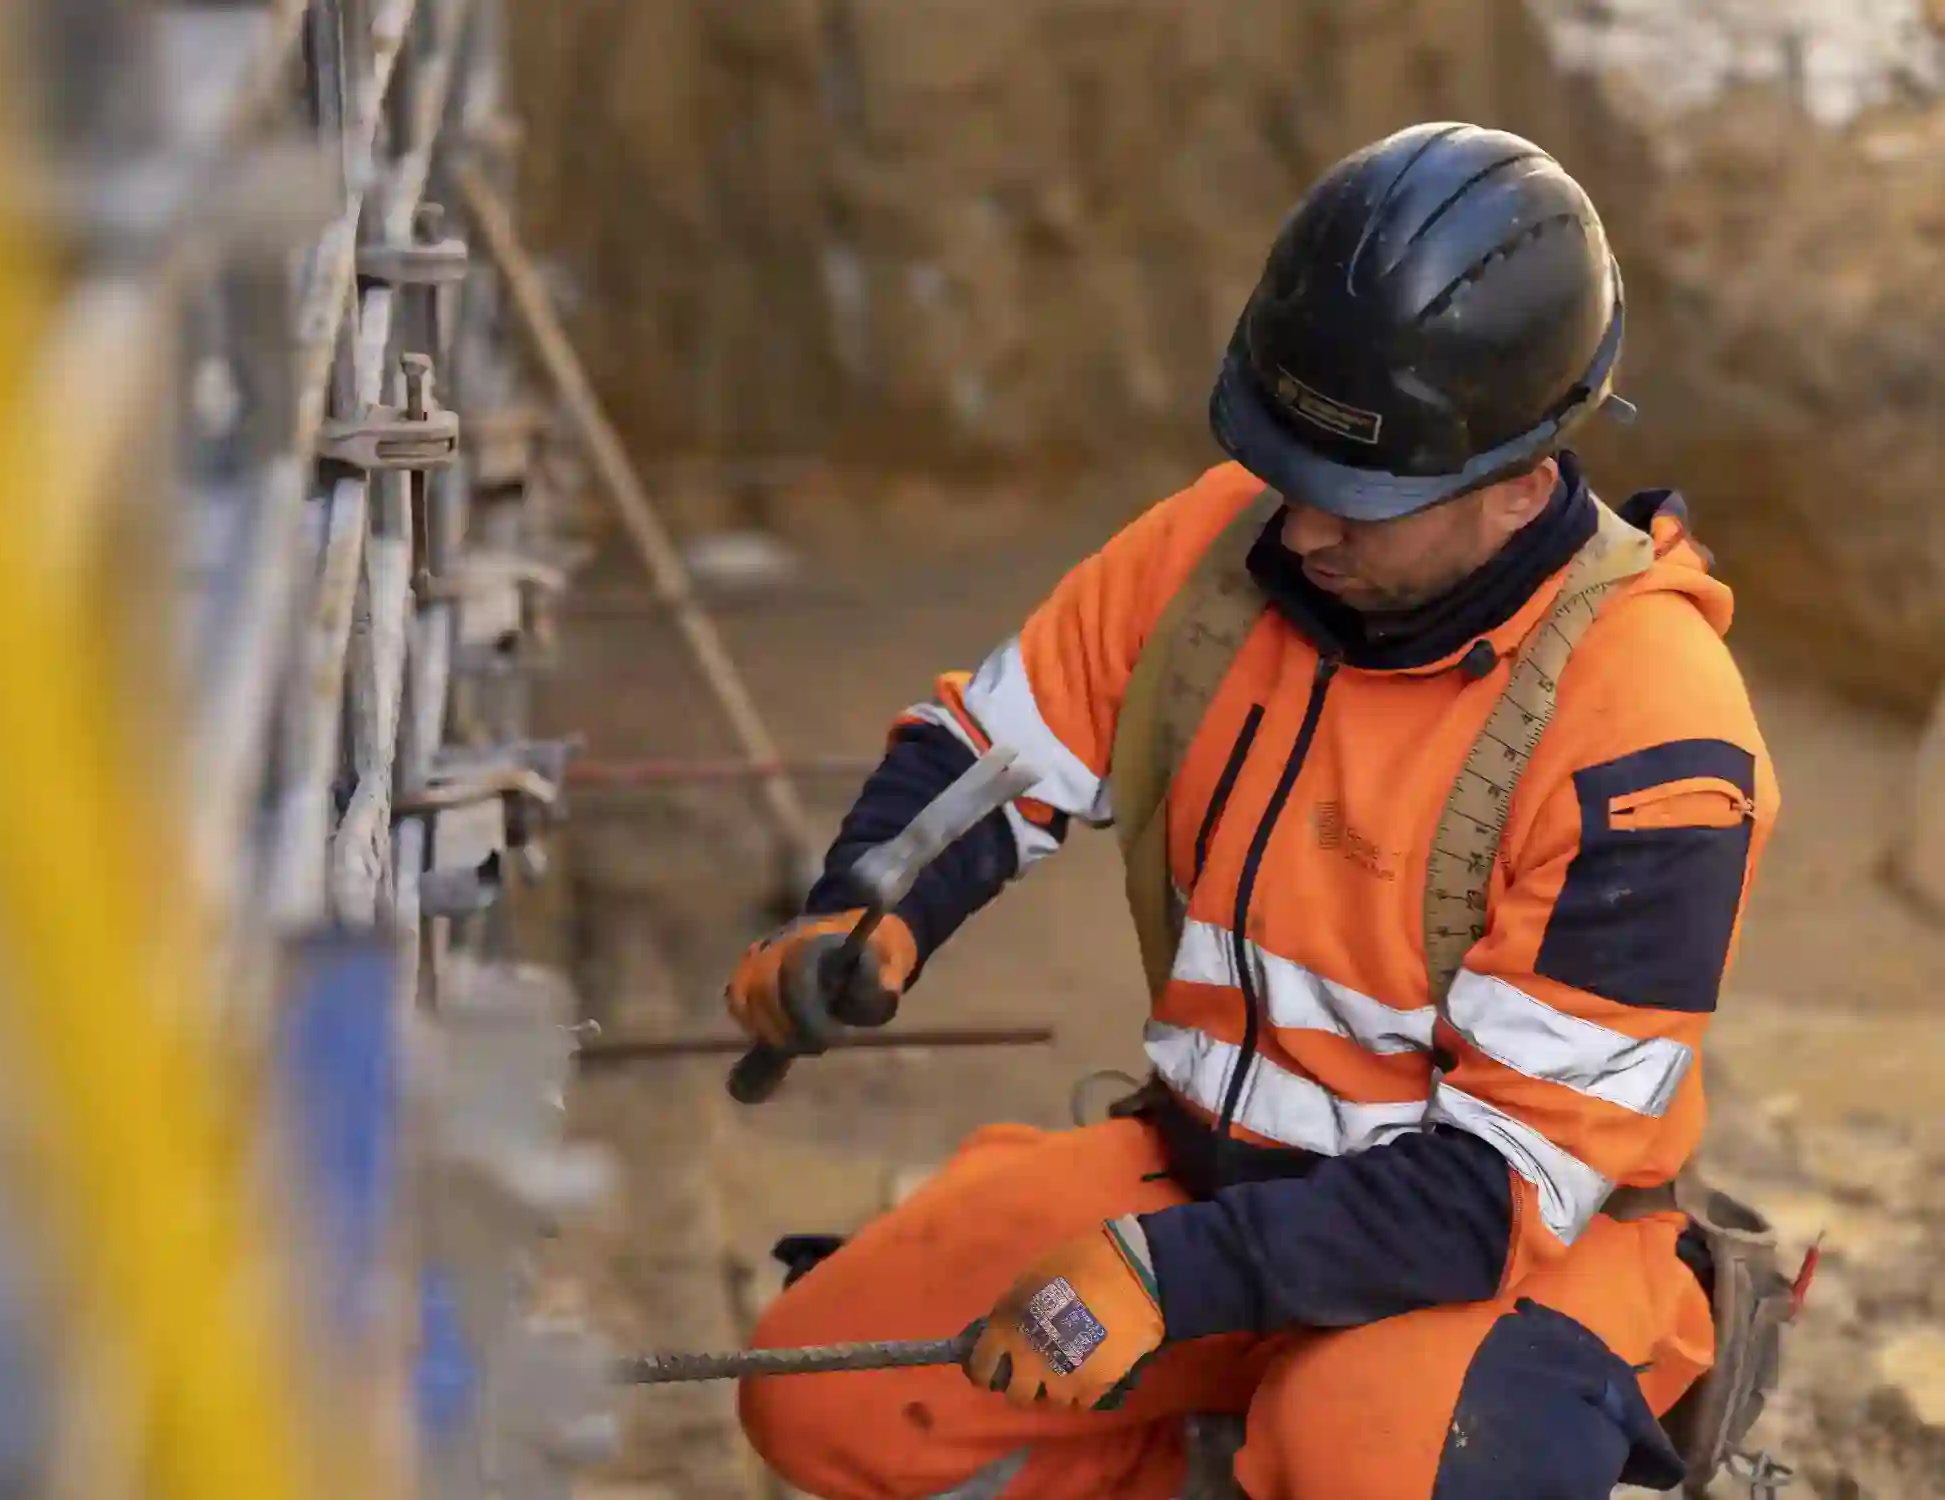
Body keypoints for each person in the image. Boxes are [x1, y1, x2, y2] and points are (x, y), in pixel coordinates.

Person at [723, 121, 1779, 1500]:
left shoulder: (1649, 731)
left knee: (1378, 1461)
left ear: (1524, 478)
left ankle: (1574, 1406)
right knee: (825, 1405)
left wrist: (1168, 1279)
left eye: (1361, 500)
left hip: (1494, 1263)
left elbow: (1497, 1189)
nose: (1303, 532)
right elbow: (989, 753)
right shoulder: (1225, 551)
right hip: (1203, 1187)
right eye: (1289, 471)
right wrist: (871, 910)